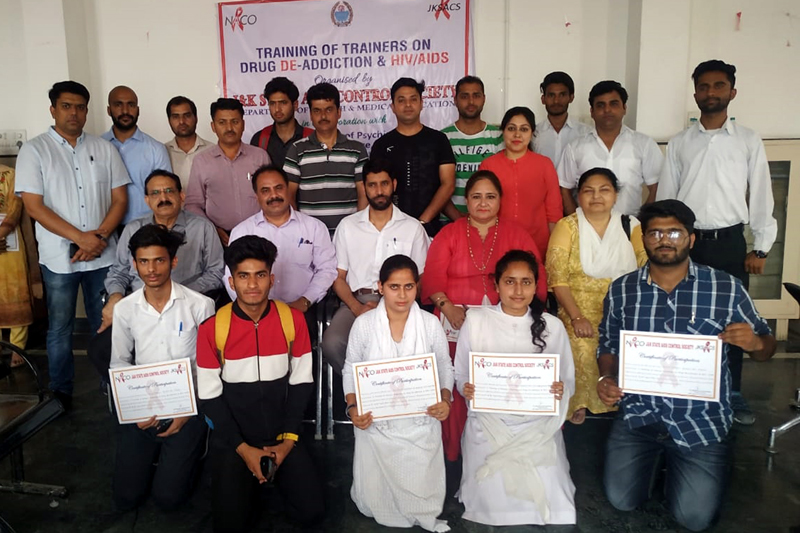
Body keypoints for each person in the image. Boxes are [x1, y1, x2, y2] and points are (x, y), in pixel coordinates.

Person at [597, 200, 776, 532]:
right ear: (645, 239)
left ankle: (687, 464)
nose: (665, 239)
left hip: (700, 420)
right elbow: (608, 343)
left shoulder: (726, 288)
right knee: (621, 500)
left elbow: (767, 347)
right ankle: (661, 464)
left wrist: (754, 343)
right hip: (640, 414)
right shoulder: (622, 290)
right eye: (656, 233)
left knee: (694, 519)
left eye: (675, 232)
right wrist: (606, 376)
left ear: (691, 239)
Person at [656, 60, 777, 426]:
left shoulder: (747, 140)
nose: (711, 92)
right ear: (695, 94)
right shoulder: (679, 143)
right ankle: (682, 387)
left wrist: (761, 247)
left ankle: (733, 391)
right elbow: (667, 198)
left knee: (733, 318)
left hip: (728, 242)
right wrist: (665, 239)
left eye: (719, 86)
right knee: (681, 315)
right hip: (688, 244)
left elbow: (761, 195)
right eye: (704, 87)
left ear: (732, 92)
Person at [197, 236, 324, 532]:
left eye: (260, 275)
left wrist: (287, 444)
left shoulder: (293, 321)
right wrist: (244, 449)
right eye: (243, 276)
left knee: (313, 513)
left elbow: (302, 383)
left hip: (284, 435)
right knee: (230, 525)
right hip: (235, 440)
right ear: (231, 281)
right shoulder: (212, 329)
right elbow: (210, 397)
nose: (252, 285)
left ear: (272, 278)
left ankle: (271, 477)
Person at [15, 80, 130, 409]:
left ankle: (111, 387)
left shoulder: (104, 148)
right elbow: (34, 206)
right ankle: (60, 390)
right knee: (60, 327)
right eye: (66, 106)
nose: (74, 113)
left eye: (80, 107)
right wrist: (81, 238)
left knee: (105, 324)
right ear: (53, 109)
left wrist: (99, 238)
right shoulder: (35, 150)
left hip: (102, 256)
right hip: (58, 259)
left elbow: (119, 199)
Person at [422, 170, 547, 462]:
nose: (483, 203)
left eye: (490, 197)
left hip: (505, 321)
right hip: (455, 319)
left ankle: (502, 444)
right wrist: (446, 306)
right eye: (476, 196)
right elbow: (432, 278)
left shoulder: (517, 234)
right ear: (465, 200)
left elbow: (535, 279)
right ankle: (453, 450)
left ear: (500, 201)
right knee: (455, 376)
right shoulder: (449, 233)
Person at [455, 249, 576, 526]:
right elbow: (461, 371)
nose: (518, 290)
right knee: (489, 495)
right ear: (496, 285)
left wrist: (559, 389)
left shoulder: (553, 326)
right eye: (510, 281)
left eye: (526, 281)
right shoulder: (476, 320)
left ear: (536, 286)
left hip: (536, 423)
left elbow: (566, 378)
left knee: (554, 495)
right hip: (488, 420)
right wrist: (466, 387)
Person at [343, 254, 453, 532]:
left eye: (409, 287)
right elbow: (350, 369)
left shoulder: (429, 323)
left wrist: (445, 398)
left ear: (417, 286)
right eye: (394, 287)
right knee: (374, 501)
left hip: (421, 420)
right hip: (376, 422)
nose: (402, 294)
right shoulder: (364, 325)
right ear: (380, 286)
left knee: (423, 492)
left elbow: (444, 365)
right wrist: (353, 408)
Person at [110, 224, 214, 511]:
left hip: (187, 409)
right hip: (142, 409)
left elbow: (207, 367)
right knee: (126, 497)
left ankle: (191, 452)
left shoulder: (200, 305)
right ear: (134, 264)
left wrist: (187, 411)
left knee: (169, 500)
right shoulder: (125, 309)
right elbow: (119, 363)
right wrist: (136, 411)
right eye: (143, 261)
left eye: (159, 260)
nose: (151, 269)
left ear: (173, 261)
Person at [88, 169, 224, 382]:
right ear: (147, 200)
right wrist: (115, 298)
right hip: (139, 307)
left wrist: (179, 296)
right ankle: (138, 395)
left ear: (181, 196)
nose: (163, 198)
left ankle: (182, 399)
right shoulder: (134, 228)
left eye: (169, 191)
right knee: (100, 350)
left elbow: (216, 271)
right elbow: (119, 271)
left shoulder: (202, 227)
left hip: (186, 309)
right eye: (156, 193)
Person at [546, 167, 647, 425]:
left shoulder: (631, 225)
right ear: (578, 196)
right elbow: (558, 278)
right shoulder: (567, 226)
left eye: (604, 190)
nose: (596, 196)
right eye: (588, 191)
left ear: (615, 195)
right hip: (577, 310)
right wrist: (577, 316)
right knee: (581, 344)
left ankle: (624, 403)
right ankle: (577, 402)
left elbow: (647, 267)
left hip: (624, 311)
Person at [322, 158, 429, 374]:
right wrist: (357, 307)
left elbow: (422, 279)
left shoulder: (412, 227)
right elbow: (338, 278)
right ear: (364, 187)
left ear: (394, 185)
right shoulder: (348, 226)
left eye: (384, 184)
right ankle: (361, 393)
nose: (379, 191)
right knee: (332, 344)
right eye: (372, 185)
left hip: (400, 302)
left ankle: (386, 395)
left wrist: (393, 305)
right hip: (356, 302)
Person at [224, 165, 337, 314]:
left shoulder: (314, 227)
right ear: (256, 196)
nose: (274, 195)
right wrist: (251, 306)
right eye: (265, 190)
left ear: (288, 189)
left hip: (303, 309)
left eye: (279, 188)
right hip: (254, 313)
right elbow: (231, 276)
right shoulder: (242, 231)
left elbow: (327, 270)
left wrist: (305, 300)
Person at [558, 80, 663, 216]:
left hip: (630, 227)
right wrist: (577, 222)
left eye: (613, 104)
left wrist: (643, 221)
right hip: (587, 229)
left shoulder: (644, 144)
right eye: (600, 105)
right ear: (592, 111)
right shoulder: (575, 148)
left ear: (624, 108)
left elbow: (657, 188)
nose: (607, 110)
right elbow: (564, 188)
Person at [370, 77, 456, 237]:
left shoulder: (438, 140)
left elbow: (448, 184)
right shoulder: (381, 145)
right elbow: (376, 187)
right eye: (401, 100)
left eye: (413, 99)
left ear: (421, 103)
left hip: (431, 229)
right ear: (393, 107)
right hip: (390, 228)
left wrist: (422, 222)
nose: (408, 105)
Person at [478, 107, 562, 260]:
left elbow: (554, 211)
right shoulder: (489, 165)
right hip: (497, 243)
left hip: (538, 244)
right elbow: (481, 209)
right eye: (511, 128)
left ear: (532, 133)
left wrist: (555, 252)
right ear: (503, 131)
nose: (517, 134)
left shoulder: (544, 165)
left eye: (524, 129)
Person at [283, 82, 368, 232]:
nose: (323, 116)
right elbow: (289, 195)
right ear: (310, 114)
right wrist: (300, 229)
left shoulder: (357, 150)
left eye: (329, 110)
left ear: (339, 112)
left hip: (348, 235)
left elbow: (363, 195)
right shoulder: (297, 150)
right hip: (310, 236)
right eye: (317, 111)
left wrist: (357, 230)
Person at [185, 98, 270, 246]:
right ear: (213, 126)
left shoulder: (260, 156)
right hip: (219, 239)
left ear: (243, 124)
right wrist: (212, 229)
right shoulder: (202, 161)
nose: (229, 128)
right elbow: (192, 204)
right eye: (222, 122)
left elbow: (270, 195)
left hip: (258, 234)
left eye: (235, 122)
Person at [102, 85, 173, 225]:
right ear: (109, 110)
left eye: (131, 105)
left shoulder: (155, 149)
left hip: (146, 227)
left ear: (138, 110)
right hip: (105, 230)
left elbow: (166, 193)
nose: (125, 111)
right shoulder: (97, 147)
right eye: (118, 105)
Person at [440, 75, 503, 220]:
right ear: (455, 100)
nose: (471, 101)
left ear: (484, 99)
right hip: (449, 222)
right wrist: (457, 217)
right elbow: (436, 186)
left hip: (488, 221)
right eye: (464, 96)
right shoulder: (442, 138)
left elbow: (502, 184)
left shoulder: (498, 137)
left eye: (476, 95)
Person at [0, 165, 39, 367]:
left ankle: (18, 347)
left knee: (15, 290)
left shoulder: (10, 174)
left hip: (10, 243)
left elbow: (15, 209)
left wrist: (1, 233)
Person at [249, 77, 313, 169]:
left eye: (283, 103)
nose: (277, 109)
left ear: (295, 105)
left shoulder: (312, 138)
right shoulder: (259, 139)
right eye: (272, 103)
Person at [534, 71, 591, 168]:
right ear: (543, 99)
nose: (556, 101)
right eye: (551, 95)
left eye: (562, 95)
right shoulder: (534, 134)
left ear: (571, 97)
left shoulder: (586, 133)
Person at [163, 96, 212, 190]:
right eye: (176, 117)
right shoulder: (162, 152)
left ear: (196, 118)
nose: (182, 121)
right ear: (169, 121)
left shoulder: (213, 151)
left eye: (187, 115)